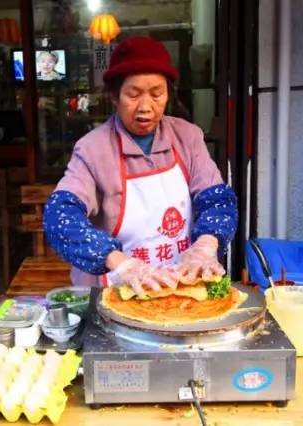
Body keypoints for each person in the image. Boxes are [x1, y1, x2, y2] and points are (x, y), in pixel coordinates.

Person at [43, 36, 237, 298]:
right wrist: (123, 264)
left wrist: (205, 246)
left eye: (157, 94)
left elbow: (217, 200)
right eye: (133, 95)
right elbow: (60, 217)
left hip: (181, 286)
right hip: (116, 293)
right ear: (114, 95)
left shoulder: (187, 137)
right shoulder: (92, 150)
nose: (146, 107)